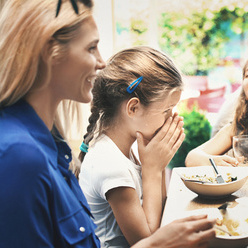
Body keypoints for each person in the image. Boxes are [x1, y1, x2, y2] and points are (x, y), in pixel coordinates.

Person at [0, 0, 214, 247]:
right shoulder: (19, 156)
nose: (102, 63)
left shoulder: (52, 141)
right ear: (52, 54)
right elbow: (147, 236)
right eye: (91, 48)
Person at [78, 46, 186, 247]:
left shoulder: (127, 149)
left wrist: (159, 164)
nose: (172, 117)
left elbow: (158, 214)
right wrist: (153, 169)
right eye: (167, 110)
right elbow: (150, 242)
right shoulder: (110, 165)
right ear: (133, 108)